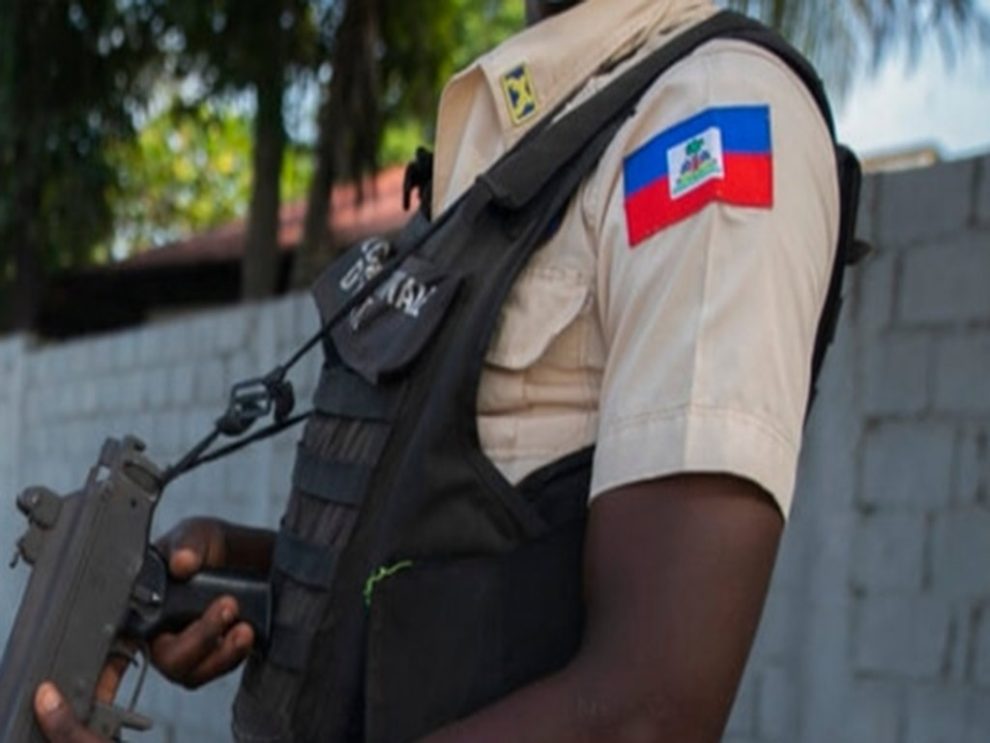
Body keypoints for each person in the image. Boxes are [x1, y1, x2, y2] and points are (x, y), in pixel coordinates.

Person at [34, 0, 843, 740]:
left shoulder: (706, 115)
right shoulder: (527, 123)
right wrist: (271, 574)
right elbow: (471, 550)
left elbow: (648, 708)